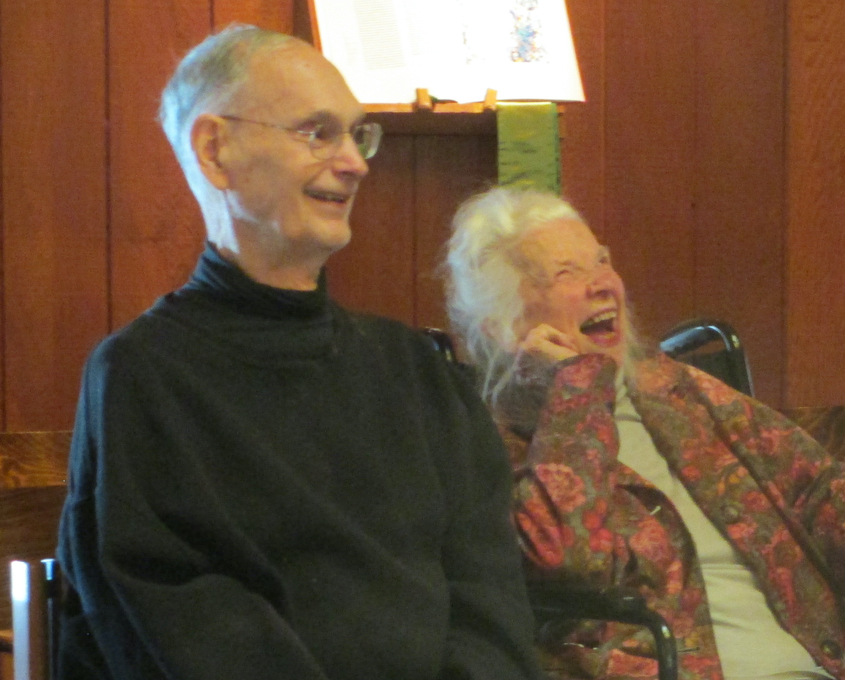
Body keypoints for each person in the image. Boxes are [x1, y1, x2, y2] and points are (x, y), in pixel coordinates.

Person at [56, 26, 543, 680]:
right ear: (215, 150)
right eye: (317, 133)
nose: (355, 163)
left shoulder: (418, 371)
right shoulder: (143, 376)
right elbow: (178, 622)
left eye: (357, 135)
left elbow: (491, 600)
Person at [444, 186, 845, 680]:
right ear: (502, 325)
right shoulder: (489, 440)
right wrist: (577, 386)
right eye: (567, 273)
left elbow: (815, 488)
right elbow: (566, 558)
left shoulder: (672, 388)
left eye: (602, 262)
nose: (603, 284)